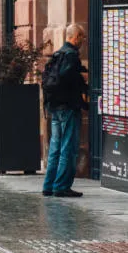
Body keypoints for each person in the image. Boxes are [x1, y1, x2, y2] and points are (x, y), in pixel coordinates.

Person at [42, 23, 89, 198]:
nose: (83, 41)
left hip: (55, 107)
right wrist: (82, 77)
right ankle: (61, 186)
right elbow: (67, 78)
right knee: (68, 147)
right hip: (68, 107)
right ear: (75, 37)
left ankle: (49, 185)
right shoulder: (71, 56)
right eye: (82, 37)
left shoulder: (58, 54)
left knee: (55, 147)